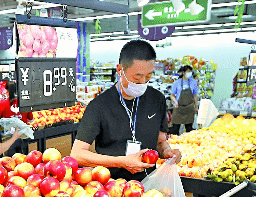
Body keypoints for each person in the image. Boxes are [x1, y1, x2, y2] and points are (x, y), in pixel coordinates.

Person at [71, 39, 182, 182]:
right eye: (137, 77)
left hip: (150, 184)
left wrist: (167, 151)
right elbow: (77, 154)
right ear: (119, 70)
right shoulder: (99, 105)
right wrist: (122, 162)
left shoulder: (157, 100)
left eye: (148, 77)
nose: (143, 83)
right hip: (110, 186)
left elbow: (160, 142)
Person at [0, 82, 33, 156]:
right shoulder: (25, 103)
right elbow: (31, 120)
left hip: (8, 140)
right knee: (23, 161)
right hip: (23, 137)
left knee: (9, 163)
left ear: (7, 91)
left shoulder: (1, 105)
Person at [169, 65, 198, 135]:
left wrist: (196, 107)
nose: (190, 73)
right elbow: (172, 95)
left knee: (189, 130)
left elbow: (195, 95)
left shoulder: (193, 82)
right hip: (179, 108)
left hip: (189, 108)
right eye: (188, 71)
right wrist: (175, 102)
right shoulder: (177, 83)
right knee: (175, 130)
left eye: (190, 71)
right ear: (183, 73)